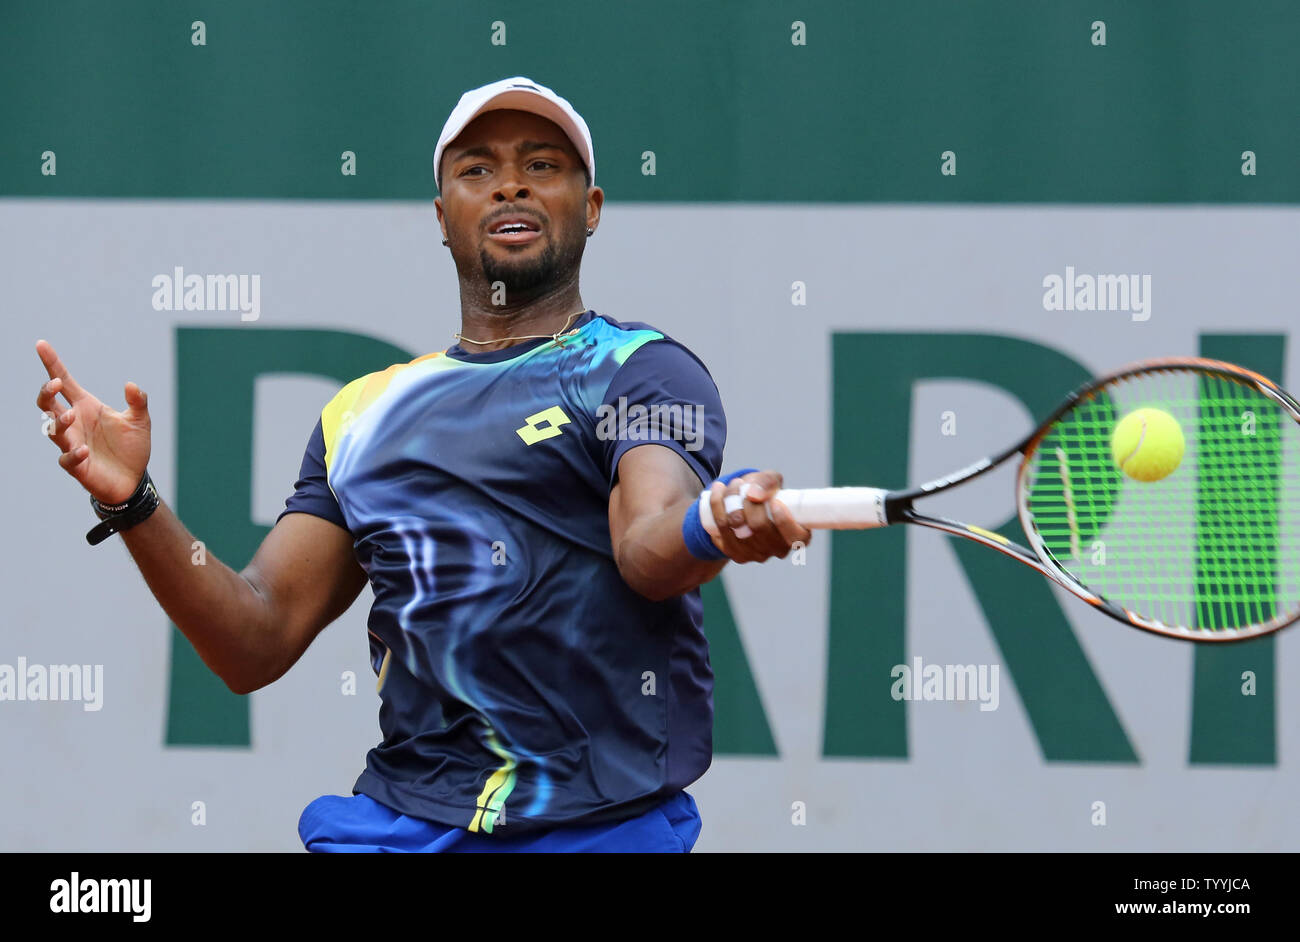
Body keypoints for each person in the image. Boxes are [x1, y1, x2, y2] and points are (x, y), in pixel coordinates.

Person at [34, 76, 811, 853]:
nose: (510, 182)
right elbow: (254, 641)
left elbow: (645, 547)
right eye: (477, 169)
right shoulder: (360, 414)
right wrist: (134, 502)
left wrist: (710, 524)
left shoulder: (640, 369)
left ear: (593, 207)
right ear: (443, 218)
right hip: (404, 826)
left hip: (597, 831)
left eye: (542, 165)